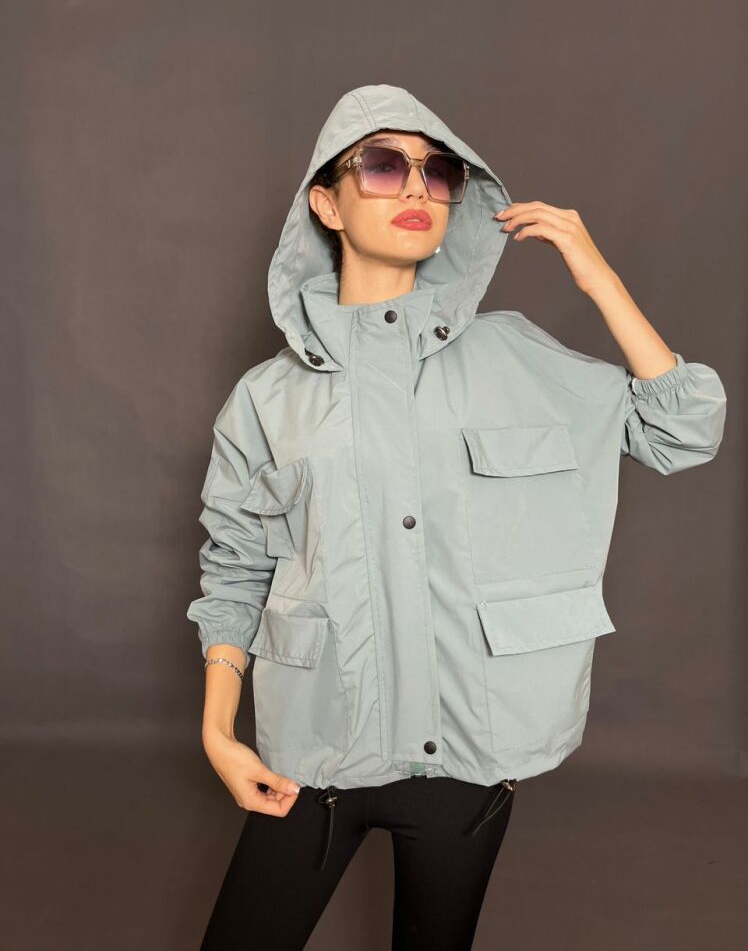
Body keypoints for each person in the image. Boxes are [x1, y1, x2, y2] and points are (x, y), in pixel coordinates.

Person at [186, 84, 727, 949]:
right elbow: (235, 566)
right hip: (316, 747)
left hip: (468, 761)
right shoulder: (267, 398)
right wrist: (219, 730)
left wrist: (597, 275)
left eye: (438, 173)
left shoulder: (514, 353)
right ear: (326, 203)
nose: (416, 188)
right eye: (383, 165)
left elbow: (683, 428)